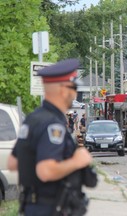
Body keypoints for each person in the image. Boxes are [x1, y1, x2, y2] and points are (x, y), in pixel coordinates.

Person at [7, 59, 94, 216]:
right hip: (50, 208)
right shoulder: (53, 125)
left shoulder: (33, 118)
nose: (75, 93)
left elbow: (13, 162)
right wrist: (76, 161)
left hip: (32, 207)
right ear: (63, 90)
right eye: (74, 88)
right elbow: (45, 171)